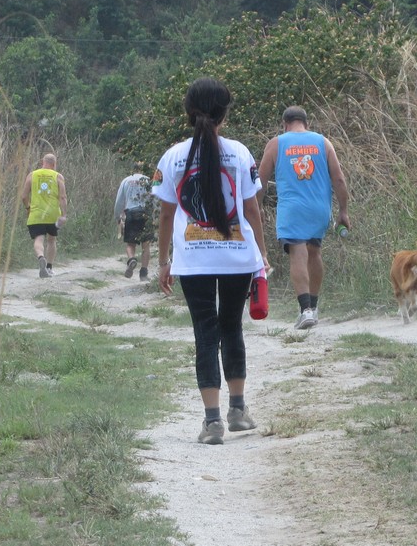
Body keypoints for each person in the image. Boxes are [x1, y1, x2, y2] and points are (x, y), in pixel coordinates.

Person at [154, 77, 269, 445]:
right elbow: (251, 209)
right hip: (237, 257)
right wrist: (262, 254)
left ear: (189, 112)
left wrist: (163, 261)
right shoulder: (240, 153)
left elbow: (166, 214)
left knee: (205, 334)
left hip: (193, 260)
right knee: (232, 327)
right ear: (224, 114)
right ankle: (238, 410)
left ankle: (212, 421)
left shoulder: (173, 157)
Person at [258, 106, 350, 330]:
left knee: (297, 253)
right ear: (306, 123)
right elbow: (339, 179)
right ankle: (314, 307)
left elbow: (260, 181)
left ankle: (305, 309)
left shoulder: (276, 144)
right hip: (319, 208)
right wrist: (343, 211)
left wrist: (257, 207)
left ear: (284, 124)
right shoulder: (323, 142)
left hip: (292, 209)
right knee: (314, 252)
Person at [20, 152, 68, 278]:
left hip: (36, 214)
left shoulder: (32, 175)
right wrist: (64, 214)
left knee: (38, 239)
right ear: (54, 164)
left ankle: (41, 257)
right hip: (53, 214)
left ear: (43, 162)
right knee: (51, 240)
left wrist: (28, 208)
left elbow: (24, 196)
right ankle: (49, 268)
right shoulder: (58, 176)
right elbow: (63, 197)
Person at [114, 167, 157, 281]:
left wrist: (118, 216)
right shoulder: (149, 180)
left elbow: (119, 201)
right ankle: (143, 273)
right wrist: (155, 216)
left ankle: (131, 259)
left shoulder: (126, 180)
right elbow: (155, 199)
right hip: (146, 213)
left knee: (130, 244)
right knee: (146, 246)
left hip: (131, 213)